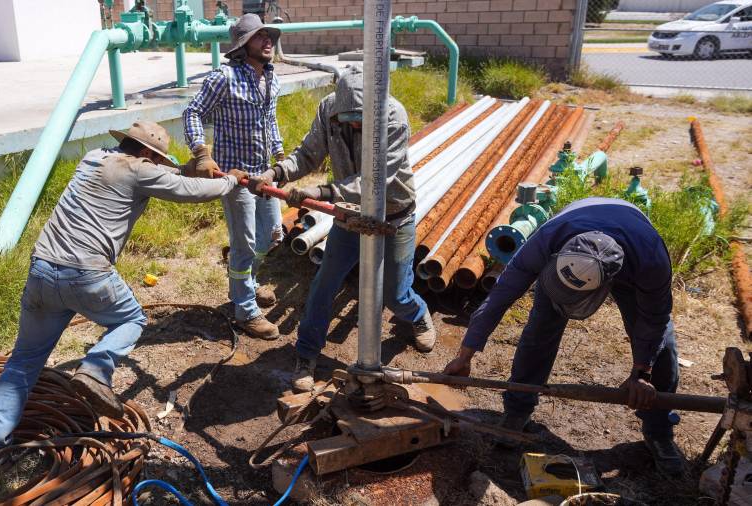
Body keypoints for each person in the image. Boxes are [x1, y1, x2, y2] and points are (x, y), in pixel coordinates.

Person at [0, 121, 246, 464]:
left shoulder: (93, 157)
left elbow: (166, 174)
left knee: (24, 361)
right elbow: (191, 191)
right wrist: (231, 180)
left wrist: (187, 168)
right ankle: (96, 369)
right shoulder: (141, 171)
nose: (158, 164)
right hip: (86, 273)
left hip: (42, 267)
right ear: (147, 153)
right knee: (131, 318)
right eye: (156, 159)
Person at [441, 196, 683, 475]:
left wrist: (642, 372)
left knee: (663, 345)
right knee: (539, 330)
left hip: (632, 256)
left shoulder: (651, 262)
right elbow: (500, 295)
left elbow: (654, 321)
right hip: (571, 239)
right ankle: (517, 411)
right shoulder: (547, 240)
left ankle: (659, 431)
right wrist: (465, 353)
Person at [251, 66, 437, 393]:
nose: (353, 123)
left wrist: (322, 192)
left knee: (395, 294)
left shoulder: (393, 117)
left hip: (392, 216)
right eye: (347, 116)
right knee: (324, 284)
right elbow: (308, 153)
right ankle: (306, 354)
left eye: (360, 118)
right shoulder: (329, 109)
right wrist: (277, 173)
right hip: (350, 216)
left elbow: (377, 180)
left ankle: (418, 314)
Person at [183, 13, 284, 340]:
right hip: (234, 176)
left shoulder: (272, 78)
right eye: (260, 37)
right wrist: (201, 153)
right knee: (245, 244)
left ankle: (247, 283)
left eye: (269, 35)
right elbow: (192, 112)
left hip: (264, 174)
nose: (268, 40)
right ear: (243, 45)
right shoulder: (224, 78)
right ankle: (245, 310)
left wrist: (281, 156)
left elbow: (270, 121)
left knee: (271, 235)